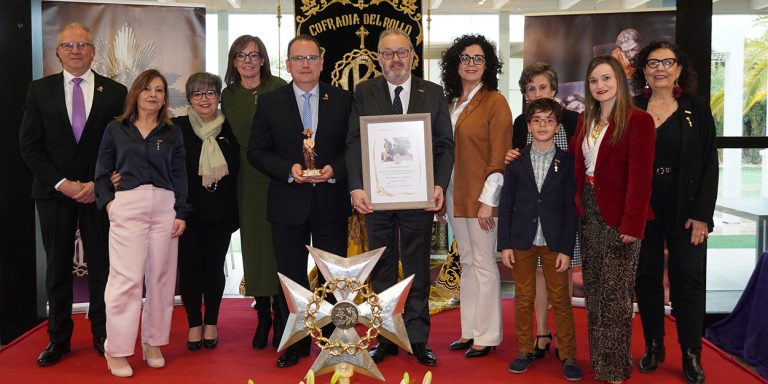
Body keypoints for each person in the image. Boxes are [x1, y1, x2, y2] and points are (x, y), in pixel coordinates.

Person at [19, 22, 127, 366]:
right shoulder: (40, 90)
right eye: (68, 45)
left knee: (102, 266)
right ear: (58, 52)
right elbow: (30, 145)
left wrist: (97, 183)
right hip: (54, 194)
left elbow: (122, 146)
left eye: (82, 45)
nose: (76, 51)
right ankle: (59, 339)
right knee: (57, 269)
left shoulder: (115, 91)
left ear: (93, 51)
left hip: (99, 193)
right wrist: (62, 183)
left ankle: (101, 333)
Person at [347, 29, 455, 366]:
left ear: (412, 56)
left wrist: (438, 184)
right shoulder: (365, 92)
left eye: (402, 52)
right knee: (381, 271)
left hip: (418, 198)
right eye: (388, 53)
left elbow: (444, 145)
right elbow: (354, 142)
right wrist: (357, 187)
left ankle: (418, 339)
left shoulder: (433, 93)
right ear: (379, 58)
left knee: (417, 268)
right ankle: (386, 338)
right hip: (376, 200)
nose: (395, 59)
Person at [248, 34, 352, 368]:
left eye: (311, 58)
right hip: (287, 200)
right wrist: (287, 169)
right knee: (291, 279)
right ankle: (295, 342)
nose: (305, 64)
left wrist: (334, 168)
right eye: (298, 58)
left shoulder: (343, 99)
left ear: (322, 62)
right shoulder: (270, 101)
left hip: (330, 199)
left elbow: (356, 148)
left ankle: (333, 339)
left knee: (332, 278)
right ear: (288, 63)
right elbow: (256, 151)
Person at [94, 69, 190, 377]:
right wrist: (109, 202)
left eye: (159, 90)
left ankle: (153, 342)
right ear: (135, 93)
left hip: (164, 207)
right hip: (128, 205)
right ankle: (117, 350)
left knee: (161, 279)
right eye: (147, 89)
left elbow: (180, 173)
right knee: (126, 280)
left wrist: (181, 212)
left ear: (165, 98)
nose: (153, 95)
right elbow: (101, 170)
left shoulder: (172, 131)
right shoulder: (116, 128)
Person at [631, 41, 717, 384]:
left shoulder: (696, 107)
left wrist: (703, 215)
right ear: (644, 71)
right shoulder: (633, 108)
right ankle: (654, 346)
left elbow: (710, 163)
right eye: (653, 63)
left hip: (686, 208)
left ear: (679, 69)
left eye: (668, 62)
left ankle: (691, 353)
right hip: (644, 207)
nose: (660, 68)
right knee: (646, 278)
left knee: (688, 282)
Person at [570, 55, 655, 384]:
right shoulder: (584, 120)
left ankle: (616, 367)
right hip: (589, 211)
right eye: (594, 81)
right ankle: (600, 362)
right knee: (595, 291)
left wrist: (633, 225)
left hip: (621, 215)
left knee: (617, 296)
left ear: (620, 80)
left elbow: (641, 178)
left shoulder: (638, 121)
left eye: (606, 78)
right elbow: (579, 167)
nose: (600, 86)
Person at [498, 98, 582, 381]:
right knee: (523, 298)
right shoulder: (516, 161)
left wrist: (567, 249)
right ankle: (524, 351)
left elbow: (570, 209)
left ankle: (568, 355)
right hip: (522, 239)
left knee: (560, 299)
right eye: (537, 120)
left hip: (554, 241)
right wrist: (505, 244)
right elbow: (506, 204)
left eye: (549, 120)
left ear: (557, 126)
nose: (543, 125)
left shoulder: (567, 162)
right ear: (529, 126)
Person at [438, 34, 510, 358]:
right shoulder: (450, 102)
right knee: (465, 261)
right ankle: (469, 331)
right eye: (465, 57)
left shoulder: (495, 102)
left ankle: (488, 334)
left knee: (483, 263)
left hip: (481, 196)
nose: (471, 64)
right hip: (454, 192)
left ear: (488, 64)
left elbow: (499, 155)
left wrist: (488, 201)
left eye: (478, 58)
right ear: (456, 63)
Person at [220, 35, 288, 350]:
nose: (248, 61)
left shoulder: (280, 88)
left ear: (263, 59)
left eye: (254, 54)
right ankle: (263, 316)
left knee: (282, 249)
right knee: (255, 250)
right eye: (241, 55)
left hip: (282, 178)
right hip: (248, 182)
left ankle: (285, 315)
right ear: (234, 61)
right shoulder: (228, 95)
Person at [176, 73, 240, 351]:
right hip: (186, 212)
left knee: (214, 268)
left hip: (221, 211)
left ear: (218, 97)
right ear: (190, 98)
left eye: (210, 93)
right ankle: (193, 324)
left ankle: (211, 321)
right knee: (189, 270)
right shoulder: (176, 128)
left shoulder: (231, 128)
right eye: (198, 94)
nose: (204, 99)